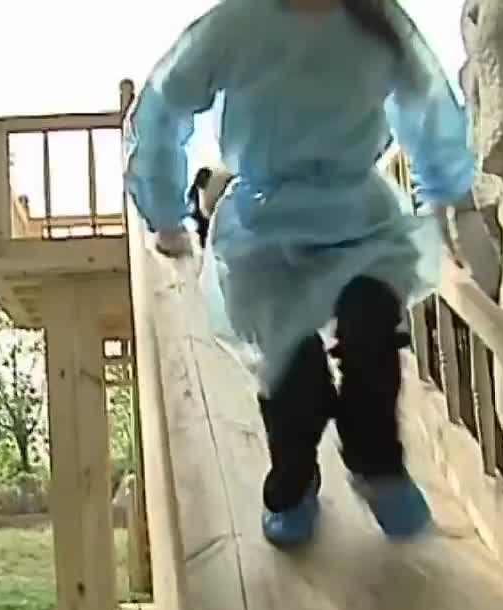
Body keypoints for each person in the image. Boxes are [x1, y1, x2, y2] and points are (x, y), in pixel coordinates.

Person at [123, 0, 475, 548]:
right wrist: (165, 212)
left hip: (357, 215)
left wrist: (444, 193)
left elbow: (426, 101)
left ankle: (376, 462)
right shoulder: (237, 25)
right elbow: (162, 106)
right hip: (267, 229)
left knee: (371, 329)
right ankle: (293, 481)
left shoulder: (376, 21)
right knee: (296, 377)